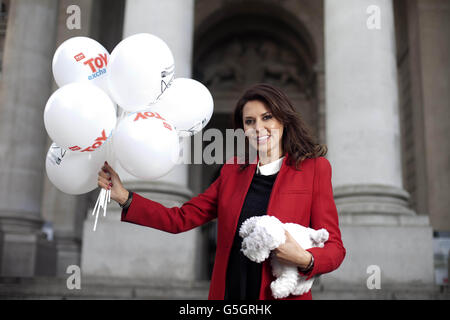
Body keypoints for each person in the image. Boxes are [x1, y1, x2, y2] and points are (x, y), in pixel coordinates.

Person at [97, 83, 346, 300]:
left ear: (283, 120)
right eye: (250, 121)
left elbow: (334, 248)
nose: (258, 127)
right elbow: (179, 219)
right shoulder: (231, 173)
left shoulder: (314, 170)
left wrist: (305, 259)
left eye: (267, 117)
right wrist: (125, 197)